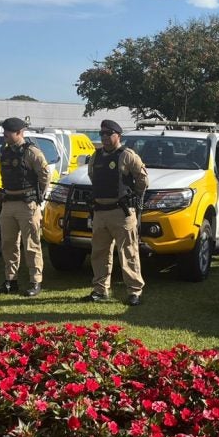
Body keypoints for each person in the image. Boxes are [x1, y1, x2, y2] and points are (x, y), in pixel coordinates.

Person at [84, 119, 148, 306]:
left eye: (108, 134)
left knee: (128, 253)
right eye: (102, 134)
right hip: (100, 212)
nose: (104, 137)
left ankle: (134, 291)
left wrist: (133, 197)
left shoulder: (127, 155)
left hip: (121, 212)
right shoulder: (96, 156)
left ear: (117, 135)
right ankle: (100, 289)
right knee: (99, 253)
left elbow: (142, 180)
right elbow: (92, 176)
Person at [0, 117, 50, 296]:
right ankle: (10, 280)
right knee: (9, 244)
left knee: (31, 244)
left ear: (19, 133)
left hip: (27, 205)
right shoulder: (5, 152)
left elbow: (45, 175)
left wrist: (38, 196)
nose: (5, 135)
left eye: (8, 132)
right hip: (8, 203)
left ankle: (35, 281)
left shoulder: (31, 152)